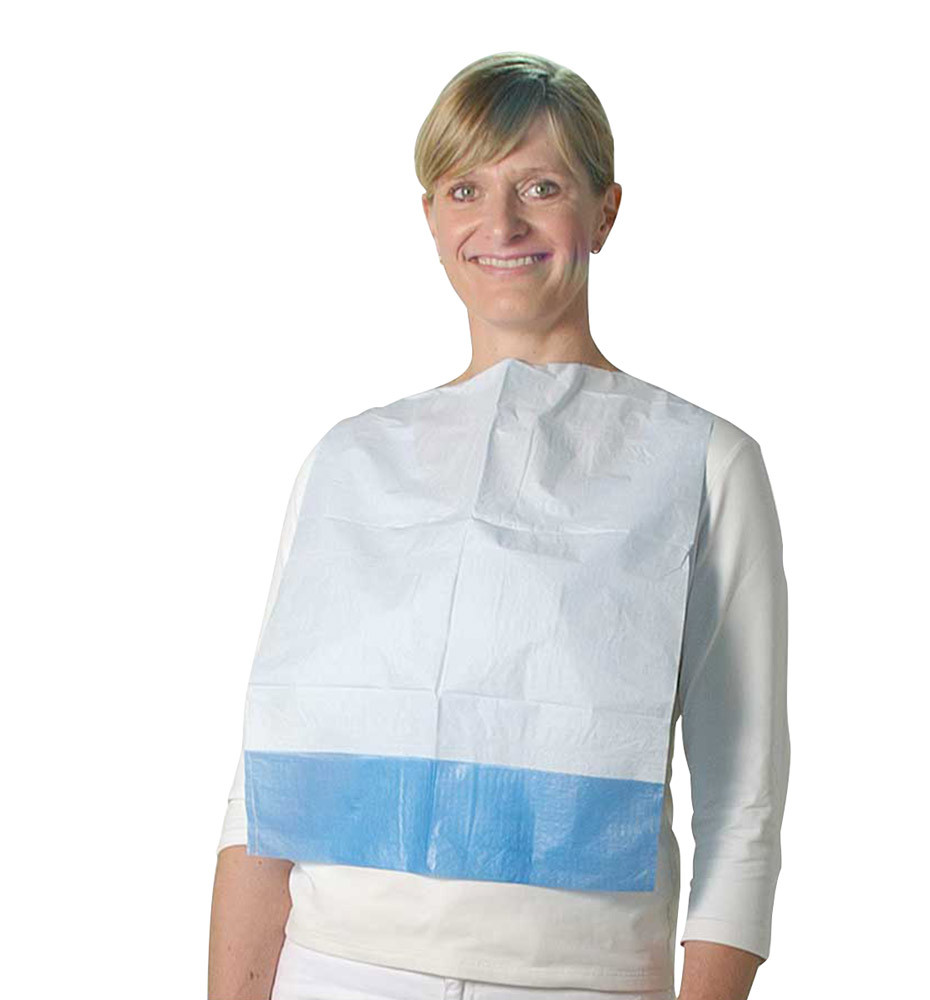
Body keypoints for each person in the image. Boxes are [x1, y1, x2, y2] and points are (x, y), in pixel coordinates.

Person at [207, 52, 790, 1000]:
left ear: (604, 212)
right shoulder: (350, 461)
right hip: (334, 970)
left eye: (541, 186)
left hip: (577, 982)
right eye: (465, 189)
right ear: (432, 219)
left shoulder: (701, 461)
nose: (502, 223)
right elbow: (263, 784)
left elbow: (743, 806)